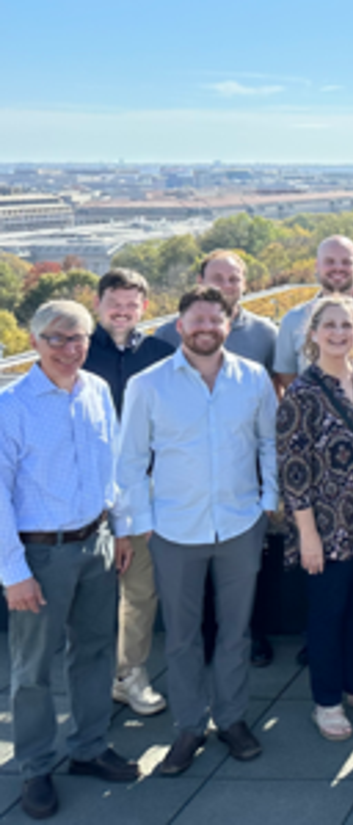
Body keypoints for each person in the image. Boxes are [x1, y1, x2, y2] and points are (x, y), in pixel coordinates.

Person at [116, 285, 278, 776]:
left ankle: (231, 719)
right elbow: (130, 461)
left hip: (240, 524)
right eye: (197, 320)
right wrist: (142, 523)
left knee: (235, 632)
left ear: (227, 325)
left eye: (215, 320)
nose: (206, 328)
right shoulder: (148, 385)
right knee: (182, 637)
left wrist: (268, 503)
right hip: (173, 530)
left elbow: (269, 443)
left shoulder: (253, 378)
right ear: (180, 325)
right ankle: (189, 727)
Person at [1, 301, 140, 819]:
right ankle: (35, 766)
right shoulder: (10, 406)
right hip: (39, 553)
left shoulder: (97, 390)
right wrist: (13, 573)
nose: (67, 348)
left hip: (96, 543)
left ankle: (89, 747)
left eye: (77, 337)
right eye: (55, 338)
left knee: (96, 652)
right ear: (34, 341)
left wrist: (119, 528)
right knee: (33, 669)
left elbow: (112, 464)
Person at [276, 297, 353, 741]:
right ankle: (326, 701)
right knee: (327, 615)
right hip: (324, 529)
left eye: (346, 325)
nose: (338, 333)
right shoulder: (302, 393)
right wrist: (307, 534)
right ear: (313, 333)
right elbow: (293, 471)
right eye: (329, 325)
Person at [154, 250, 281, 668]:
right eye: (217, 278)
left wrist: (269, 490)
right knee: (194, 569)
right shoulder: (166, 335)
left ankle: (252, 635)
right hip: (186, 476)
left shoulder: (265, 333)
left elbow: (274, 400)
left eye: (234, 279)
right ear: (200, 281)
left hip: (243, 470)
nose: (226, 286)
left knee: (247, 567)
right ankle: (204, 642)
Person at [81, 268, 174, 718]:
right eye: (114, 303)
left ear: (144, 308)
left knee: (140, 591)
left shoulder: (162, 355)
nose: (122, 312)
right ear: (97, 304)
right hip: (86, 497)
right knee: (92, 596)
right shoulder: (77, 353)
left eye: (131, 305)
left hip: (142, 494)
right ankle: (89, 678)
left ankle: (129, 674)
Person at [273, 235, 353, 385]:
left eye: (346, 262)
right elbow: (286, 376)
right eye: (329, 262)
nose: (338, 268)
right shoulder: (293, 320)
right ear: (317, 266)